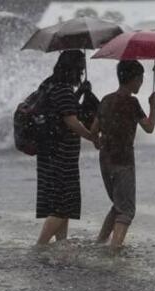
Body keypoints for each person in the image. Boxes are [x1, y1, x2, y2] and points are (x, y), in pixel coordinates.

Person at [90, 60, 155, 253]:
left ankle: (100, 242)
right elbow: (149, 127)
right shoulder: (132, 102)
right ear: (134, 79)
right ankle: (114, 251)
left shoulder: (105, 100)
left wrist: (98, 142)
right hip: (124, 161)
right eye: (141, 79)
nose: (142, 83)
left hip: (105, 161)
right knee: (126, 210)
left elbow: (94, 130)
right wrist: (153, 106)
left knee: (117, 204)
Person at [36, 50, 97, 245]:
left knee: (62, 204)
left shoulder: (50, 84)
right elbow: (70, 120)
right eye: (80, 69)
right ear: (74, 69)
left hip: (49, 154)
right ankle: (41, 245)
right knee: (63, 206)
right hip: (61, 156)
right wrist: (92, 137)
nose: (80, 73)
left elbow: (62, 109)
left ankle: (61, 243)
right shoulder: (63, 89)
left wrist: (80, 92)